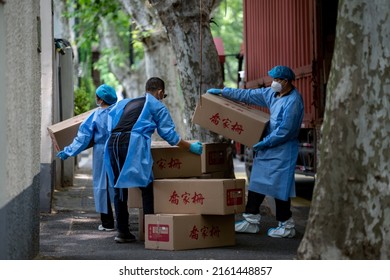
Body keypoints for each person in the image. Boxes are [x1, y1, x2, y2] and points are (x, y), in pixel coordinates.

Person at [207, 65, 304, 238]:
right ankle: (251, 220)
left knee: (280, 187)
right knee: (258, 182)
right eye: (273, 79)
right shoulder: (272, 94)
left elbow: (285, 131)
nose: (273, 82)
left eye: (276, 80)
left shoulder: (294, 101)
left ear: (285, 81)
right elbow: (248, 95)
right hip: (268, 148)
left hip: (282, 149)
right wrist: (223, 92)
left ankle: (286, 225)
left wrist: (264, 143)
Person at [104, 77, 203, 243]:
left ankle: (122, 231)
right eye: (163, 95)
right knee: (146, 186)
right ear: (160, 92)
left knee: (119, 188)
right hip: (132, 143)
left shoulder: (127, 102)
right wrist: (190, 147)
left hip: (112, 142)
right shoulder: (157, 105)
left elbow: (111, 118)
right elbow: (170, 136)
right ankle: (150, 232)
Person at [57, 84, 118, 231]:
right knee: (118, 186)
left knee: (101, 186)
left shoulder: (96, 115)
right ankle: (123, 222)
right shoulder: (119, 112)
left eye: (97, 97)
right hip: (117, 150)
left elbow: (83, 138)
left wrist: (68, 151)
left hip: (101, 151)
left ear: (101, 100)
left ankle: (107, 223)